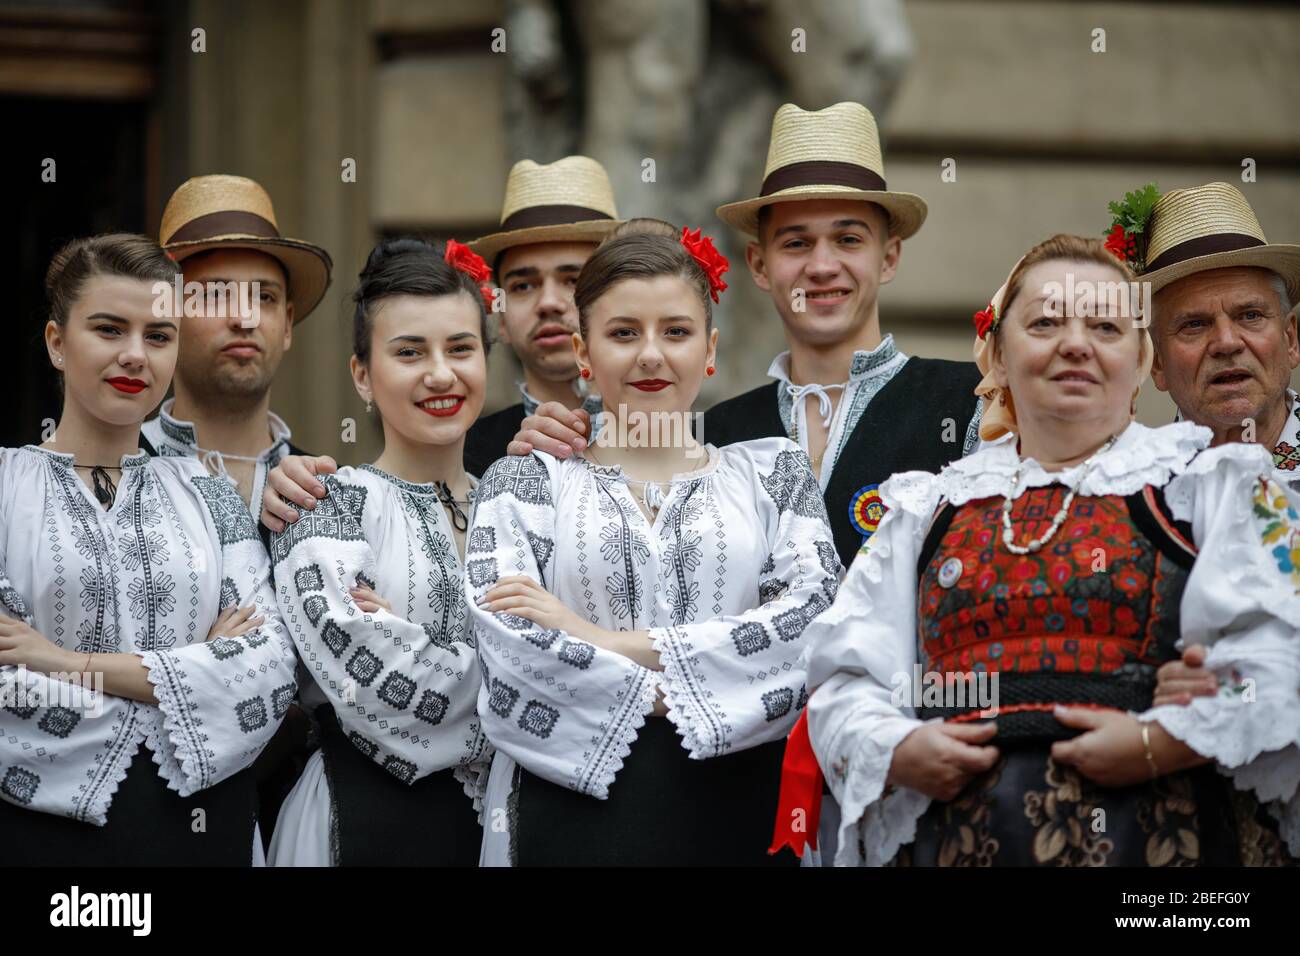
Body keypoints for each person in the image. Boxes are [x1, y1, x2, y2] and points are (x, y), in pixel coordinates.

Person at [786, 234, 1300, 866]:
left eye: (1106, 326)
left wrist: (1157, 741)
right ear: (998, 356)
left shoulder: (1211, 487)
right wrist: (897, 748)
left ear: (1142, 359)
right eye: (1046, 322)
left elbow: (1282, 654)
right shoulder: (925, 512)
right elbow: (847, 676)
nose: (1075, 343)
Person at [465, 220, 840, 866]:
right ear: (584, 355)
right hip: (569, 815)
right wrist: (712, 678)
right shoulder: (525, 482)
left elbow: (809, 636)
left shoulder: (773, 476)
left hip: (738, 809)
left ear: (711, 348)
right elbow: (514, 659)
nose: (650, 355)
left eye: (675, 331)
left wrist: (595, 638)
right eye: (622, 333)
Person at [508, 102, 984, 569]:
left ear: (889, 258)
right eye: (796, 242)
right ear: (758, 263)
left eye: (848, 239)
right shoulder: (718, 434)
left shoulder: (969, 404)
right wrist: (560, 442)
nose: (821, 266)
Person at [0, 234, 297, 864]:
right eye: (110, 330)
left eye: (159, 336)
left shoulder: (209, 492)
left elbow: (266, 672)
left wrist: (61, 660)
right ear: (57, 342)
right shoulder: (4, 488)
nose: (135, 356)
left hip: (198, 828)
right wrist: (195, 667)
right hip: (36, 836)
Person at [263, 238, 494, 866]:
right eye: (409, 352)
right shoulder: (327, 502)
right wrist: (525, 690)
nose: (441, 374)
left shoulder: (520, 505)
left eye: (461, 348)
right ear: (362, 373)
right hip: (360, 817)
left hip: (505, 825)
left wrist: (408, 634)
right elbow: (373, 679)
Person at [142, 174, 331, 519]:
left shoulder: (325, 492)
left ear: (287, 324)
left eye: (263, 297)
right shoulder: (115, 473)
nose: (245, 318)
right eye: (215, 295)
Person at [460, 156, 621, 476]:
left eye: (574, 280)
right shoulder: (464, 458)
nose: (548, 303)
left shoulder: (682, 440)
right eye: (523, 286)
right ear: (501, 319)